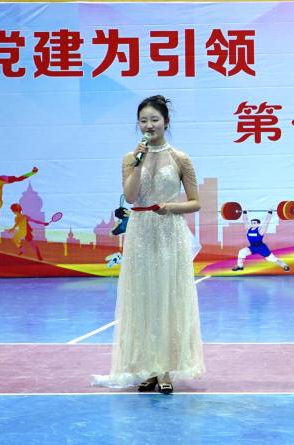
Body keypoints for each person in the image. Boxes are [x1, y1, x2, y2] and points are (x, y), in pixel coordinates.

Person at [92, 95, 204, 394]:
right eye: (143, 121)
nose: (149, 125)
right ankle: (147, 368)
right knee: (143, 298)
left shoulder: (180, 158)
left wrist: (171, 207)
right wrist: (138, 163)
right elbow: (130, 197)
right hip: (140, 232)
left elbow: (195, 202)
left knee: (168, 298)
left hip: (169, 231)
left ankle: (165, 369)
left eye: (154, 119)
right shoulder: (130, 158)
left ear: (166, 122)